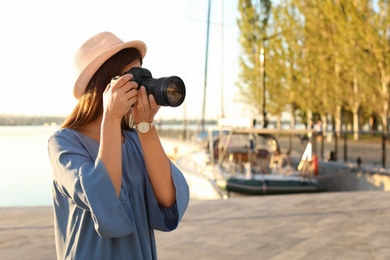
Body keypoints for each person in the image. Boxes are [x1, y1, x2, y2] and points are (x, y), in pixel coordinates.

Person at [47, 31, 190, 260]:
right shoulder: (63, 143)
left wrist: (145, 126)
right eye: (131, 76)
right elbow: (103, 199)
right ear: (104, 83)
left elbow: (168, 200)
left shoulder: (135, 139)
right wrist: (111, 118)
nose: (140, 85)